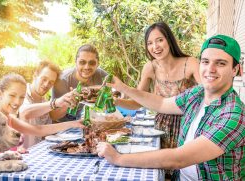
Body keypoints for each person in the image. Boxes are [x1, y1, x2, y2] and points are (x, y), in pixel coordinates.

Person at [96, 34, 244, 180]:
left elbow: (178, 159)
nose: (210, 69)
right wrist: (123, 88)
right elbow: (161, 103)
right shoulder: (197, 94)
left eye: (220, 63)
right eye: (205, 62)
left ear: (235, 69)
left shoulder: (234, 115)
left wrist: (118, 158)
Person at [116, 22, 200, 150]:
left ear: (169, 40)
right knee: (162, 168)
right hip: (161, 130)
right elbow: (137, 102)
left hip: (188, 127)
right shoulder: (150, 67)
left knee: (184, 168)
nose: (155, 46)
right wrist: (115, 101)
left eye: (159, 40)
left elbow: (208, 94)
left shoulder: (191, 63)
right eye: (149, 43)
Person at [0, 73, 83, 157]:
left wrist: (75, 123)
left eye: (22, 97)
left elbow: (39, 130)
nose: (17, 102)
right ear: (0, 94)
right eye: (12, 95)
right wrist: (6, 155)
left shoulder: (8, 118)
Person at [19, 60, 79, 148]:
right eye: (44, 79)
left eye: (51, 82)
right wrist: (56, 103)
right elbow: (25, 112)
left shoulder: (43, 100)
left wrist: (67, 103)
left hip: (40, 152)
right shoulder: (21, 93)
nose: (46, 84)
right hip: (22, 154)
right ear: (35, 75)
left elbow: (51, 119)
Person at [51, 44, 108, 122]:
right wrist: (68, 103)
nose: (87, 67)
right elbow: (53, 116)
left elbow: (120, 93)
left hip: (91, 121)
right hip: (64, 126)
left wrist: (105, 93)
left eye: (92, 63)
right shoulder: (62, 80)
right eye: (82, 62)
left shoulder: (101, 74)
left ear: (98, 64)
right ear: (76, 62)